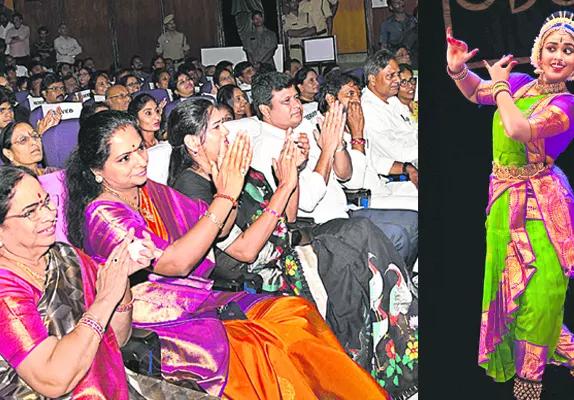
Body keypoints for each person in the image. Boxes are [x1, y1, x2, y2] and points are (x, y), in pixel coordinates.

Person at [63, 110, 389, 399]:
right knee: (261, 345)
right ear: (96, 172)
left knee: (294, 312)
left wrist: (226, 190)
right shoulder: (103, 214)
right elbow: (176, 262)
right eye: (125, 158)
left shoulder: (147, 189)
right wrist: (227, 193)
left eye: (140, 148)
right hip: (153, 314)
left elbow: (217, 229)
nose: (140, 161)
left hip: (192, 296)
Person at [168, 99, 419, 399]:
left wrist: (294, 172)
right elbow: (246, 251)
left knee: (359, 232)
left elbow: (287, 217)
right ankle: (359, 362)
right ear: (193, 142)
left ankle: (396, 352)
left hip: (288, 241)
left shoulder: (232, 167)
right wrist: (282, 187)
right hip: (265, 269)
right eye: (218, 126)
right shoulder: (190, 187)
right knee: (348, 254)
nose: (227, 133)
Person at [445, 11, 574, 399]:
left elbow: (517, 129)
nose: (558, 55)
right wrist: (457, 70)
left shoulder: (569, 105)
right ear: (538, 53)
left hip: (544, 205)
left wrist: (500, 87)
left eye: (568, 50)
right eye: (551, 47)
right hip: (504, 203)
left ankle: (529, 392)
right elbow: (475, 91)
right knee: (516, 302)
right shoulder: (518, 84)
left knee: (540, 300)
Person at [0, 165, 216, 398]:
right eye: (30, 212)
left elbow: (118, 337)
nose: (49, 214)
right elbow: (53, 381)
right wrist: (105, 300)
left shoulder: (67, 257)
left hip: (113, 386)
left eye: (46, 202)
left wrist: (122, 278)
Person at [249, 72, 419, 278]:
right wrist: (328, 149)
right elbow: (308, 201)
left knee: (413, 222)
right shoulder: (267, 147)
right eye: (286, 101)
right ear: (266, 110)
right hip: (316, 227)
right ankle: (381, 293)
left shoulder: (304, 127)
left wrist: (338, 145)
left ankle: (403, 284)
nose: (296, 105)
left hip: (341, 212)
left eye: (295, 97)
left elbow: (345, 174)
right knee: (398, 235)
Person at [318, 72, 418, 210]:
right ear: (331, 99)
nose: (357, 100)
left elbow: (374, 160)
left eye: (358, 96)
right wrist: (357, 135)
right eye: (350, 94)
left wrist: (408, 168)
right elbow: (354, 182)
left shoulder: (350, 123)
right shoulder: (324, 131)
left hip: (382, 187)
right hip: (363, 199)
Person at [361, 50, 418, 185]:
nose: (397, 80)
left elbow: (413, 130)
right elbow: (396, 153)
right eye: (391, 76)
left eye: (397, 74)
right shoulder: (368, 109)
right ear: (372, 79)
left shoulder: (392, 100)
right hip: (396, 175)